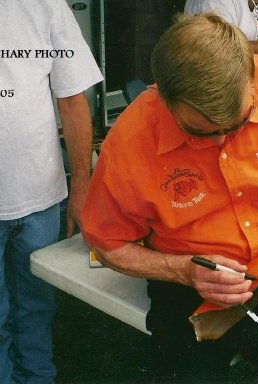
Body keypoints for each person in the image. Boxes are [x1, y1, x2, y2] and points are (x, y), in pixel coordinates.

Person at [81, 13, 258, 384]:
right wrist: (183, 270)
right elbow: (108, 244)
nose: (222, 144)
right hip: (186, 281)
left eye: (238, 124)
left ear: (252, 79)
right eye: (199, 132)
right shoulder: (131, 141)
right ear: (162, 95)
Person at [0, 0, 103, 382]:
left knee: (37, 306)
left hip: (40, 197)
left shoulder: (45, 3)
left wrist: (81, 184)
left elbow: (73, 98)